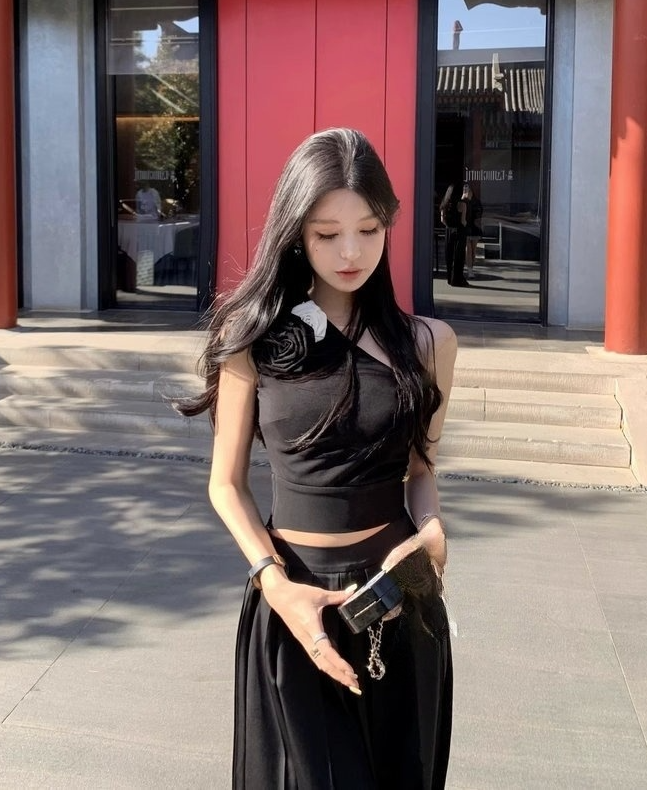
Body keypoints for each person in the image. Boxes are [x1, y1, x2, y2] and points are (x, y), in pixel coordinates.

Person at [175, 127, 457, 790]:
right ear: (297, 232)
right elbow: (226, 484)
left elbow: (421, 471)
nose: (350, 251)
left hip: (398, 602)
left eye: (368, 229)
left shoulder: (429, 343)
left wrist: (432, 530)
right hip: (293, 600)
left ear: (389, 224)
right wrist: (273, 582)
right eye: (327, 234)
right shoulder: (251, 338)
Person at [440, 182, 468, 287]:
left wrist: (449, 225)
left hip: (448, 231)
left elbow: (442, 220)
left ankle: (449, 278)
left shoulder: (444, 204)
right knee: (458, 256)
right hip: (459, 231)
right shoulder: (462, 204)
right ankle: (457, 279)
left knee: (449, 255)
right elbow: (463, 221)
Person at [461, 183, 482, 280]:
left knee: (473, 250)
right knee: (468, 250)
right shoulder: (462, 201)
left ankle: (471, 269)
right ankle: (470, 271)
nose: (466, 191)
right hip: (466, 228)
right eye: (464, 189)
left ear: (471, 191)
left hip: (475, 228)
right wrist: (462, 199)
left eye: (467, 189)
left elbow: (479, 215)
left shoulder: (476, 202)